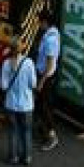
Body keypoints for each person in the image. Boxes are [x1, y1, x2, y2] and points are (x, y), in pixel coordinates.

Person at [0, 35, 36, 165]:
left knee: (13, 131)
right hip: (26, 105)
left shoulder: (6, 64)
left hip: (11, 104)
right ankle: (26, 157)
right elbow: (33, 84)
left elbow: (3, 86)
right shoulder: (29, 63)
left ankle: (13, 157)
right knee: (26, 131)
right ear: (21, 48)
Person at [35, 9, 61, 151]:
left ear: (45, 22)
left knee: (44, 107)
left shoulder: (50, 40)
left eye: (39, 21)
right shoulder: (53, 33)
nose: (38, 24)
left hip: (46, 77)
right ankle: (44, 128)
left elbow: (50, 65)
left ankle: (52, 136)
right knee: (42, 104)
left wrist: (41, 81)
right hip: (46, 76)